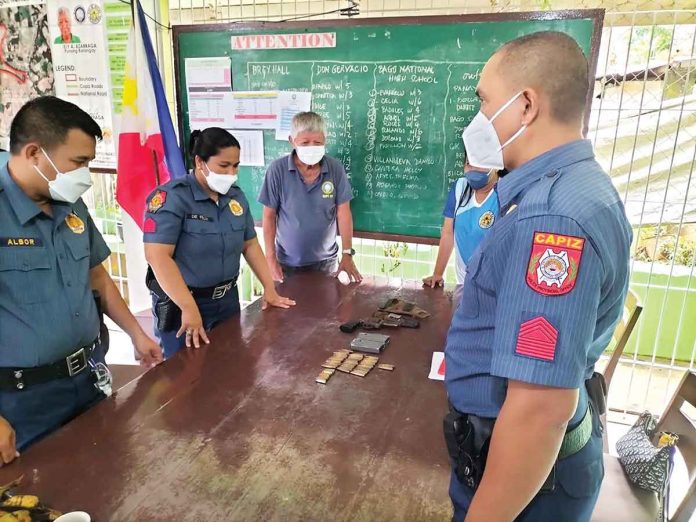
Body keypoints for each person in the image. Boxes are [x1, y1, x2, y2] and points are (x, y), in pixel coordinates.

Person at [443, 31, 632, 521]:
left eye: (485, 101)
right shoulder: (570, 187)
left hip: (529, 483)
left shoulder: (552, 218)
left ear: (525, 105)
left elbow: (539, 410)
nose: (478, 119)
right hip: (532, 469)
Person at [0, 96, 162, 463]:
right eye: (78, 162)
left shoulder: (68, 203)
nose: (84, 176)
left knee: (106, 478)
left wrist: (137, 335)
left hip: (89, 378)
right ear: (34, 153)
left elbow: (97, 275)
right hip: (24, 402)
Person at [144, 127, 295, 359]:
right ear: (199, 161)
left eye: (235, 166)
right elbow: (157, 256)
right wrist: (188, 307)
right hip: (183, 305)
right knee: (186, 379)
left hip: (226, 301)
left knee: (229, 370)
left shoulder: (235, 196)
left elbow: (250, 245)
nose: (231, 173)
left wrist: (269, 288)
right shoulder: (173, 198)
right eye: (223, 166)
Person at [259, 112, 362, 283]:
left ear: (325, 141)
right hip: (286, 262)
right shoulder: (277, 170)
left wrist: (347, 253)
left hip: (326, 262)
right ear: (292, 141)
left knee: (326, 307)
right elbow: (269, 216)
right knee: (286, 308)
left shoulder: (335, 168)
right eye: (305, 142)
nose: (311, 147)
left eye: (318, 142)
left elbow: (343, 212)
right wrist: (270, 258)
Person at [423, 163, 499, 307]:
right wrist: (438, 273)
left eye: (480, 164)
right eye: (469, 164)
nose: (474, 169)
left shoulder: (505, 191)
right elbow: (448, 233)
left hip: (493, 287)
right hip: (463, 283)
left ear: (495, 164)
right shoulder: (460, 187)